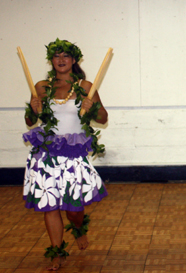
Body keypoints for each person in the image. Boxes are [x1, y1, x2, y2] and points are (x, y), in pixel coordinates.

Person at [23, 39, 108, 271]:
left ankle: (78, 227)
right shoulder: (42, 87)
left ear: (74, 60)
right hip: (45, 153)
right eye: (56, 56)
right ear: (51, 60)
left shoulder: (85, 85)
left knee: (73, 209)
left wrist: (92, 107)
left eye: (66, 56)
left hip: (73, 155)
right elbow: (30, 121)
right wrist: (33, 108)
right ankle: (57, 253)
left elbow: (103, 118)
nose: (61, 60)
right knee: (50, 204)